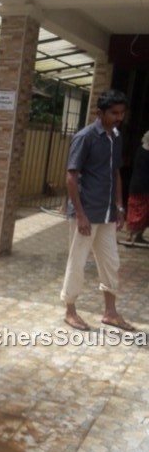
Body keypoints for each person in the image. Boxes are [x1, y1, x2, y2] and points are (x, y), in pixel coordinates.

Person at [60, 88, 135, 331]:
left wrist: (119, 207)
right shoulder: (85, 137)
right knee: (77, 262)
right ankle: (70, 310)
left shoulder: (116, 137)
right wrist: (81, 215)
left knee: (111, 262)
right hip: (86, 212)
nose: (119, 117)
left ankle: (110, 312)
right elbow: (71, 177)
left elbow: (116, 173)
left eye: (121, 113)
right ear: (100, 113)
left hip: (107, 213)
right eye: (114, 113)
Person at [123, 130, 149, 245]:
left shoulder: (140, 150)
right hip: (142, 186)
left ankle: (136, 235)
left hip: (138, 184)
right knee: (139, 210)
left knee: (140, 210)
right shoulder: (145, 152)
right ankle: (132, 235)